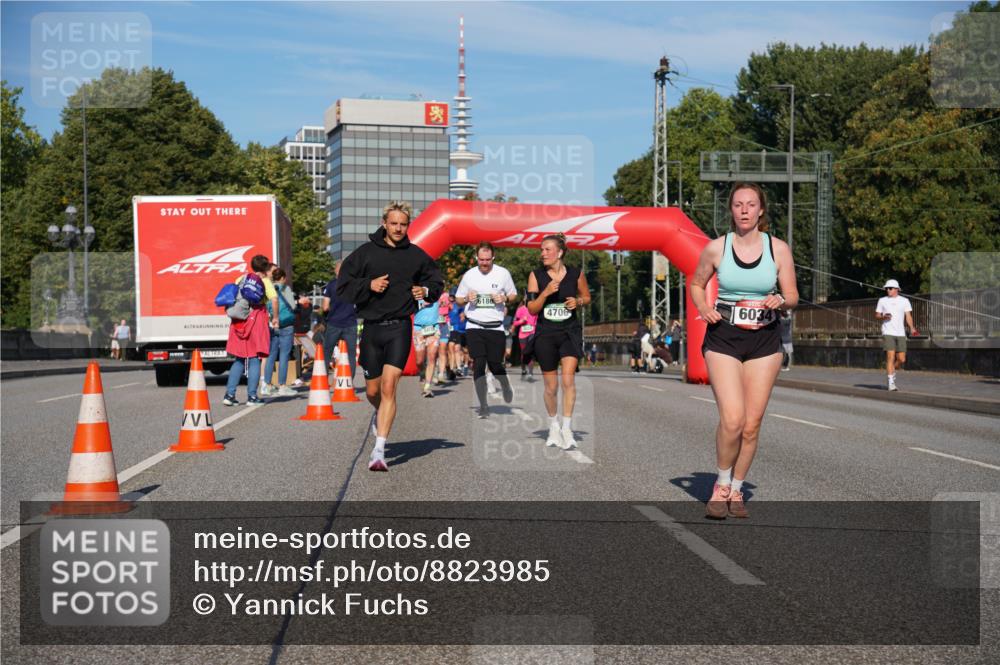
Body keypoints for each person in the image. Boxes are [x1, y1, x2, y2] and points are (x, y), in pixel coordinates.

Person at [690, 182, 798, 519]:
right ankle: (720, 485)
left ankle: (737, 489)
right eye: (738, 205)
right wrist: (704, 305)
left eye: (751, 204)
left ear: (761, 209)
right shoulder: (716, 248)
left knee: (751, 424)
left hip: (765, 340)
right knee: (733, 419)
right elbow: (695, 283)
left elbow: (793, 295)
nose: (745, 210)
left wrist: (781, 299)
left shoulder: (778, 249)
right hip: (724, 336)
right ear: (731, 210)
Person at [336, 201, 443, 472]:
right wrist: (368, 285)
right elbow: (344, 286)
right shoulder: (366, 253)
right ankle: (378, 414)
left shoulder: (416, 255)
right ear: (384, 223)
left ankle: (379, 450)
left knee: (389, 387)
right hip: (372, 328)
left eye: (403, 224)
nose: (398, 228)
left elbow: (436, 283)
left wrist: (425, 291)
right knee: (373, 391)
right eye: (393, 223)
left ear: (408, 226)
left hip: (400, 328)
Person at [525, 233, 592, 450]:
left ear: (559, 252)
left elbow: (588, 297)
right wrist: (545, 293)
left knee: (568, 381)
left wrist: (579, 301)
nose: (542, 253)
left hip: (569, 332)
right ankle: (553, 426)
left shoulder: (576, 274)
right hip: (545, 334)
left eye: (547, 249)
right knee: (551, 387)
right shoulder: (536, 276)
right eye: (541, 250)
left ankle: (567, 427)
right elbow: (532, 309)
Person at [456, 242, 518, 418]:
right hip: (474, 325)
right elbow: (459, 300)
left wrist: (504, 297)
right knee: (479, 364)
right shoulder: (469, 275)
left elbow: (513, 295)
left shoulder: (503, 273)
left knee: (495, 364)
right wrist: (467, 298)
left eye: (487, 260)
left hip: (495, 327)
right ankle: (483, 405)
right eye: (481, 260)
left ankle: (505, 384)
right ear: (476, 257)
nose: (484, 263)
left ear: (493, 258)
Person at [224, 254, 274, 406]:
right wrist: (275, 318)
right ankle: (252, 396)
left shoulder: (241, 278)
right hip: (256, 320)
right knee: (254, 358)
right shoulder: (265, 282)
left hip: (239, 321)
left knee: (239, 358)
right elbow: (273, 299)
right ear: (265, 268)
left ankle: (229, 395)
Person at [876, 278, 916, 391]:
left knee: (902, 359)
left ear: (897, 289)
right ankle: (890, 382)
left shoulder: (904, 301)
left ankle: (892, 372)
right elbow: (877, 315)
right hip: (888, 332)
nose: (888, 290)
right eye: (886, 288)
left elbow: (908, 316)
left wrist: (912, 328)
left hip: (901, 333)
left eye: (890, 288)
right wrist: (883, 317)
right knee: (890, 356)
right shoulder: (882, 300)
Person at [261, 267, 296, 397]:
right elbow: (292, 306)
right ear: (282, 278)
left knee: (271, 355)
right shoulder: (285, 289)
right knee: (284, 356)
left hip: (272, 324)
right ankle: (282, 385)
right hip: (286, 325)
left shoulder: (267, 288)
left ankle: (268, 384)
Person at [323, 260, 359, 382]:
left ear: (336, 271)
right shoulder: (353, 284)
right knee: (351, 354)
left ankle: (323, 379)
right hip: (350, 323)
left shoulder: (331, 285)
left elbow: (325, 306)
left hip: (334, 323)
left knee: (327, 352)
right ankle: (349, 382)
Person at [413, 298, 442, 397]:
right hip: (418, 329)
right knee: (419, 361)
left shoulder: (436, 293)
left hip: (434, 328)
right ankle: (422, 374)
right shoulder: (415, 293)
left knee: (432, 356)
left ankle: (427, 387)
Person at [292, 295, 316, 387]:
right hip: (305, 333)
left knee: (297, 355)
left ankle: (298, 375)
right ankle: (299, 375)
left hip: (297, 333)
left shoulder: (298, 308)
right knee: (301, 355)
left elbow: (295, 313)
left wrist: (298, 303)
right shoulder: (309, 307)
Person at [513, 297, 538, 380]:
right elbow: (515, 323)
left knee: (530, 352)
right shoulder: (520, 310)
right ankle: (523, 369)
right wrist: (521, 321)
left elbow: (538, 320)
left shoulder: (535, 309)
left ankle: (530, 373)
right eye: (527, 299)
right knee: (524, 353)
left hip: (532, 332)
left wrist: (535, 325)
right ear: (524, 301)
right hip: (522, 334)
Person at [447, 289, 468, 376]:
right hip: (445, 329)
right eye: (450, 296)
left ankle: (458, 368)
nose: (451, 297)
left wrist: (463, 316)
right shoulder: (445, 305)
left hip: (456, 329)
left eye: (453, 296)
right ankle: (451, 368)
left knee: (455, 348)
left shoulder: (458, 306)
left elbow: (463, 315)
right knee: (448, 350)